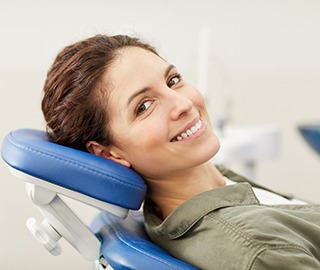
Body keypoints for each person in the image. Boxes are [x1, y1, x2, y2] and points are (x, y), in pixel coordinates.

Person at [42, 34, 320, 270]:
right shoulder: (256, 249)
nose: (183, 104)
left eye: (173, 80)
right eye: (144, 106)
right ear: (109, 154)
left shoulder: (214, 184)